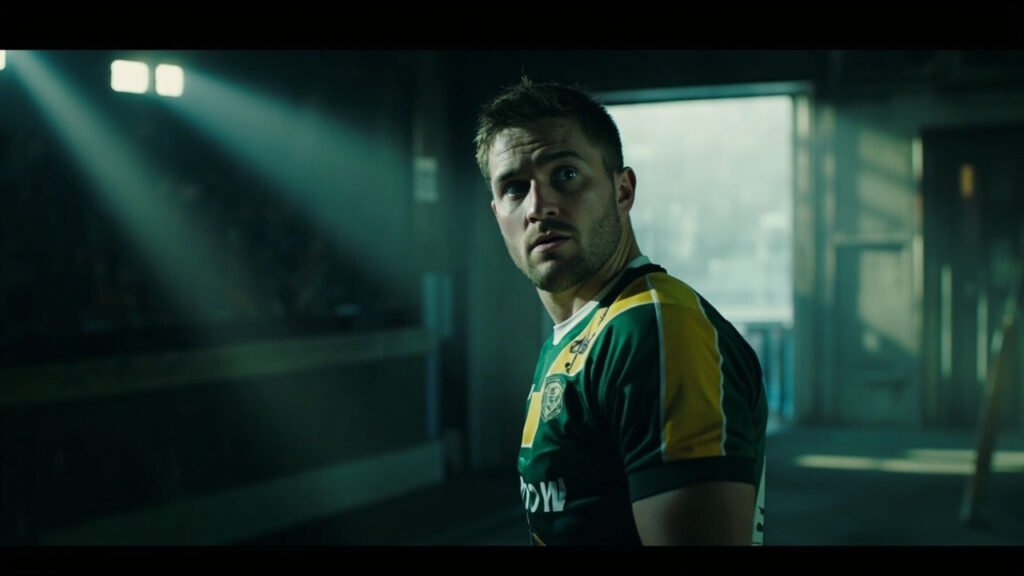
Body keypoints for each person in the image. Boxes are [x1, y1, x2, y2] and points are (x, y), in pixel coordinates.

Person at [474, 78, 767, 545]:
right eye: (514, 188)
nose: (538, 206)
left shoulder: (653, 328)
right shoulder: (579, 332)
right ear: (497, 216)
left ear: (623, 190)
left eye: (565, 174)